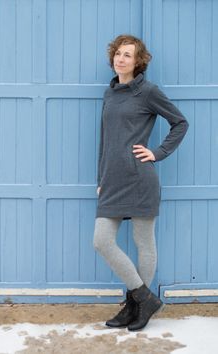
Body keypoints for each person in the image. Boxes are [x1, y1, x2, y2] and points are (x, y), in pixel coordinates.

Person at [93, 34, 189, 331]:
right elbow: (105, 140)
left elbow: (180, 123)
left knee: (143, 243)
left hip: (139, 178)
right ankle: (144, 298)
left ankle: (136, 306)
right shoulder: (110, 93)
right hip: (112, 180)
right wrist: (101, 178)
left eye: (128, 55)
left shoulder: (147, 92)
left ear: (138, 62)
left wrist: (157, 153)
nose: (121, 59)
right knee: (102, 241)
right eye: (118, 53)